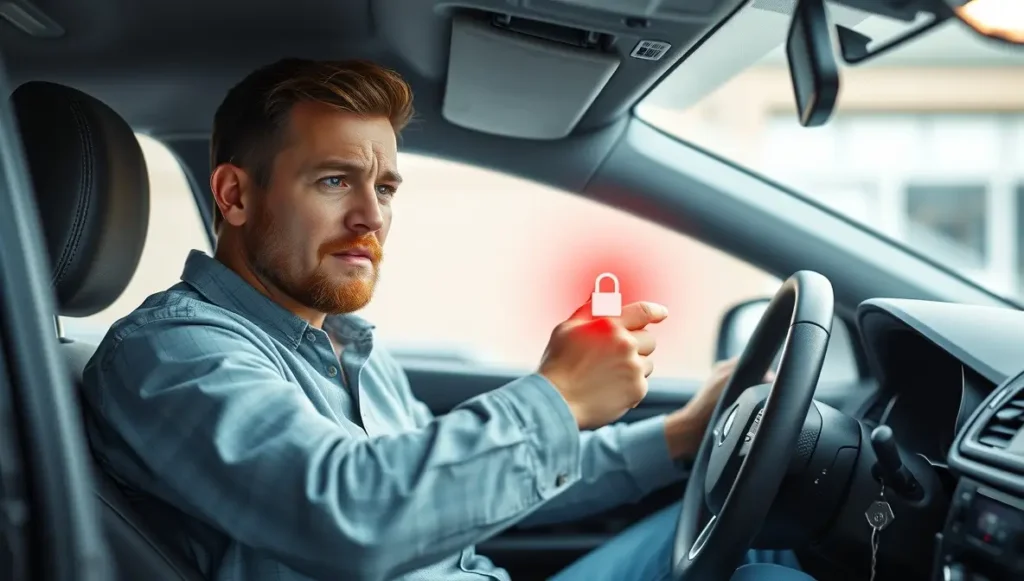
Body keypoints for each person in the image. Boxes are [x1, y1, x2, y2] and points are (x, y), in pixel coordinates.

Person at [80, 59, 816, 581]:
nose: (372, 215)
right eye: (335, 179)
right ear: (235, 197)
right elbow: (352, 516)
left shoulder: (341, 344)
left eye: (387, 186)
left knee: (772, 543)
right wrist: (557, 396)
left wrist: (680, 432)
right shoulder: (173, 353)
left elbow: (456, 487)